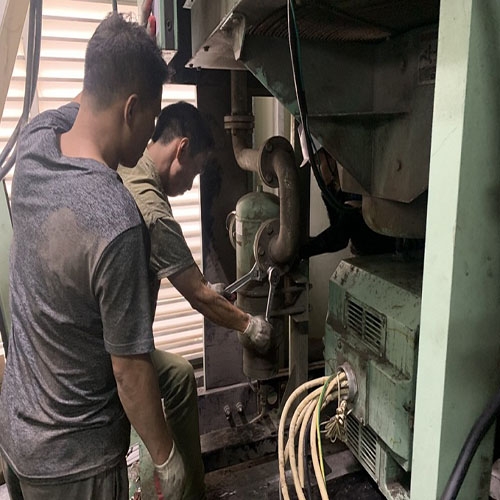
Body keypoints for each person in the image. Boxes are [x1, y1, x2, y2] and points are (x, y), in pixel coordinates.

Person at [0, 13, 184, 500]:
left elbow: (82, 103)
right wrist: (167, 456)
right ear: (130, 109)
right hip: (76, 467)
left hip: (18, 439)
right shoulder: (117, 222)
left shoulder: (36, 143)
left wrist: (115, 54)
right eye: (151, 119)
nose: (150, 137)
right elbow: (130, 373)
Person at [118, 101, 273, 500]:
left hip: (116, 344)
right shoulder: (151, 207)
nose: (191, 185)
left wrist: (209, 290)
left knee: (180, 374)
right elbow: (198, 298)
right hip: (114, 357)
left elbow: (187, 278)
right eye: (196, 171)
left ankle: (194, 487)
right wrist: (249, 325)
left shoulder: (128, 167)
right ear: (181, 149)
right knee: (154, 415)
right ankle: (180, 485)